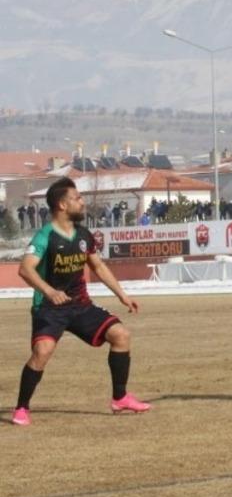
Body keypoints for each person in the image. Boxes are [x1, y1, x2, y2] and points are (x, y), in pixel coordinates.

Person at [11, 177, 150, 426]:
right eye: (77, 199)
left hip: (80, 305)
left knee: (121, 336)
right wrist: (50, 291)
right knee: (42, 352)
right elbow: (25, 269)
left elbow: (97, 265)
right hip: (49, 308)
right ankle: (21, 408)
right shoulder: (45, 236)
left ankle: (120, 398)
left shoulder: (84, 235)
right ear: (62, 205)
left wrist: (122, 295)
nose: (82, 202)